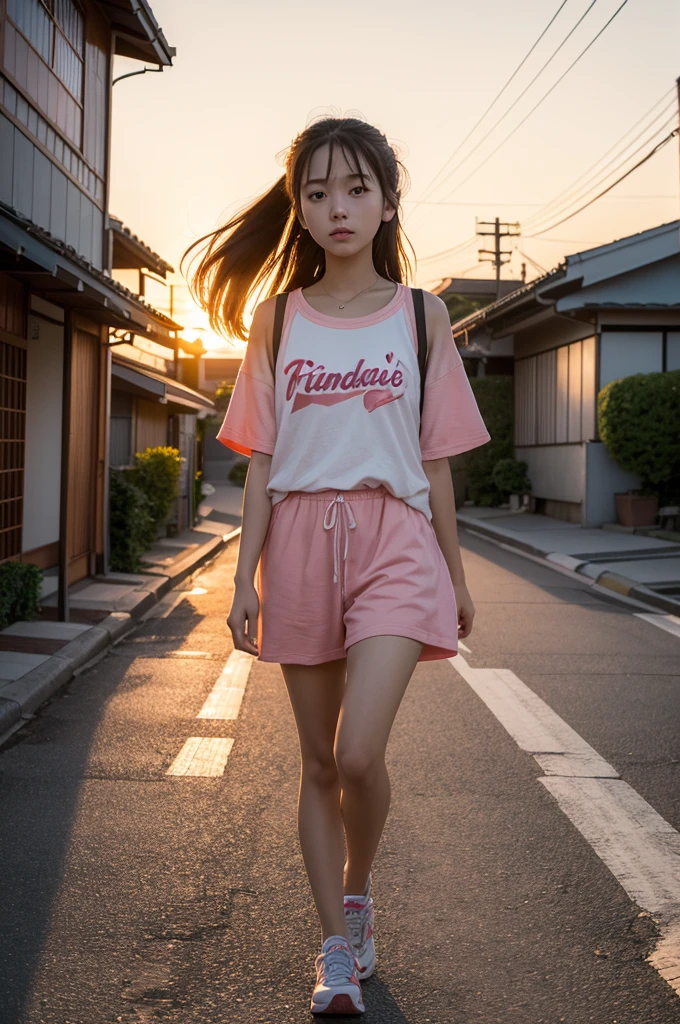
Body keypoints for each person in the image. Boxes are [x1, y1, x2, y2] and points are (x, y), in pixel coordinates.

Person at [182, 115, 491, 1016]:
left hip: (394, 537)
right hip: (301, 543)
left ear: (389, 200)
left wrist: (457, 574)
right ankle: (336, 950)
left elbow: (434, 461)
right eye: (316, 192)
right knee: (318, 764)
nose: (337, 207)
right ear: (301, 210)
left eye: (356, 188)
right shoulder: (275, 320)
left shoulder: (421, 315)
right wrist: (244, 578)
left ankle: (359, 893)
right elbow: (264, 463)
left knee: (360, 753)